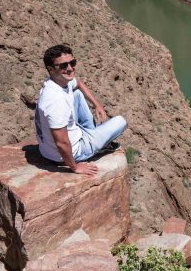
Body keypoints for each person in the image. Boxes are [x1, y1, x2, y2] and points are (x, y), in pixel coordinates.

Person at [35, 43, 127, 176]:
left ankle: (92, 134)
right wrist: (74, 167)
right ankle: (99, 145)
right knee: (121, 121)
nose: (70, 68)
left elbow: (78, 83)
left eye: (72, 62)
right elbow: (61, 142)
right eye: (63, 65)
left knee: (76, 93)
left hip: (50, 148)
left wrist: (97, 105)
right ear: (51, 69)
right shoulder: (56, 100)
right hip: (70, 152)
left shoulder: (56, 82)